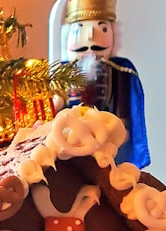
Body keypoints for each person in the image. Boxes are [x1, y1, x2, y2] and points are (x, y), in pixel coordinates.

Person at [49, 0, 149, 168]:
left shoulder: (121, 70)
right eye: (79, 29)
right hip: (69, 141)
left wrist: (122, 127)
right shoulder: (62, 71)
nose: (90, 36)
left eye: (102, 29)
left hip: (106, 140)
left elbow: (123, 100)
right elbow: (55, 104)